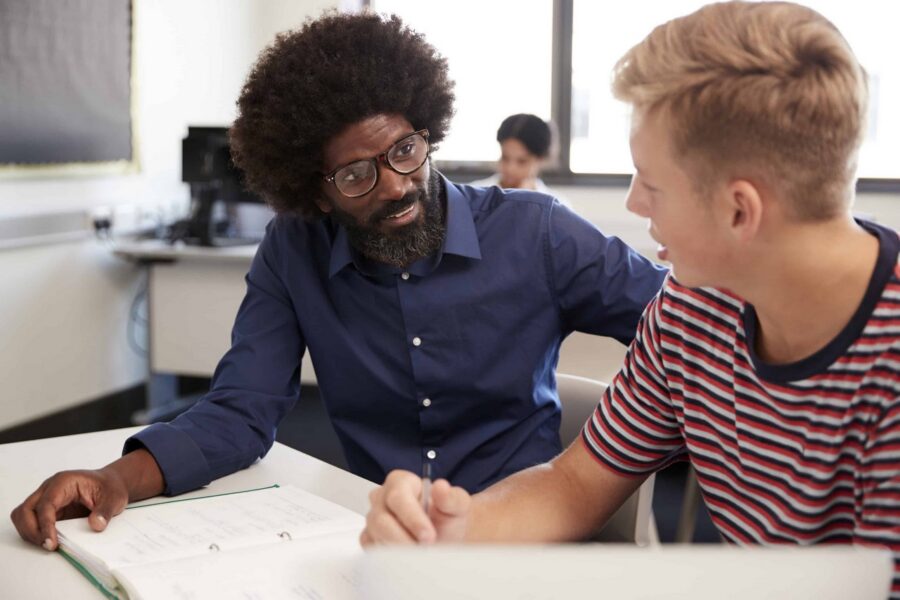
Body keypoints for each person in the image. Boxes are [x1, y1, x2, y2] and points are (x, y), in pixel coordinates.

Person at [10, 12, 666, 552]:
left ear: (427, 130)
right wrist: (115, 477)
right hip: (384, 542)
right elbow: (243, 408)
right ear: (315, 194)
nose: (398, 186)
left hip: (530, 541)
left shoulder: (538, 232)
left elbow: (682, 323)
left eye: (405, 151)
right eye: (357, 176)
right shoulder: (293, 251)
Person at [362, 1, 900, 595]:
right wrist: (456, 530)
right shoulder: (693, 307)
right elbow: (576, 485)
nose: (634, 204)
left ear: (739, 210)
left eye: (651, 181)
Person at [470, 113, 561, 199]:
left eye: (522, 161)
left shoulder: (557, 205)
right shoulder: (475, 195)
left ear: (540, 160)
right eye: (505, 158)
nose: (510, 168)